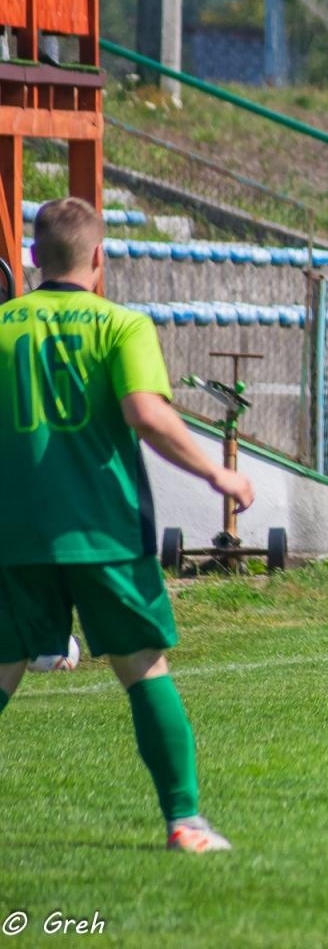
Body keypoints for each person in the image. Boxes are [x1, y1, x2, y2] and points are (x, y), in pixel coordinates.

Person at [0, 197, 255, 852]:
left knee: (2, 668)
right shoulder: (122, 325)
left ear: (34, 256)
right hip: (104, 530)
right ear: (99, 257)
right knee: (143, 666)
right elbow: (145, 412)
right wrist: (217, 473)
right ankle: (184, 821)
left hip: (15, 531)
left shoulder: (3, 326)